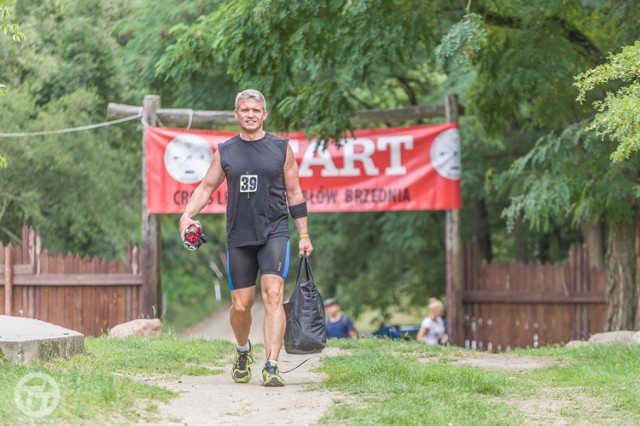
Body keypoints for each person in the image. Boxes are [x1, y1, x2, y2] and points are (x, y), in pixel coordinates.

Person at [179, 89, 313, 387]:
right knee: (241, 304)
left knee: (273, 295)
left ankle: (272, 364)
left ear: (264, 114)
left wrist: (303, 232)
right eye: (245, 110)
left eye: (256, 110)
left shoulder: (281, 148)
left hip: (274, 231)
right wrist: (186, 215)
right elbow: (205, 187)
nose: (250, 114)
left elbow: (294, 193)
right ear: (236, 114)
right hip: (239, 235)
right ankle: (243, 351)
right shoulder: (225, 151)